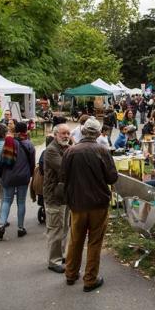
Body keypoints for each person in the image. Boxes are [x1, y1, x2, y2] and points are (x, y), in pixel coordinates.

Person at [61, 118, 118, 292]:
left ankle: (71, 274)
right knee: (94, 242)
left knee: (75, 240)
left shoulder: (70, 151)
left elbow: (63, 177)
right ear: (98, 133)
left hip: (77, 203)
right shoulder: (102, 150)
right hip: (98, 204)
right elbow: (112, 177)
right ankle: (90, 279)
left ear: (83, 132)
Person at [0, 121, 35, 240]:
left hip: (9, 176)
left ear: (15, 130)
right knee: (21, 202)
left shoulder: (9, 142)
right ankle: (20, 228)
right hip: (23, 177)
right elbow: (32, 162)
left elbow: (1, 160)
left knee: (7, 200)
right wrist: (31, 174)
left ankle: (2, 224)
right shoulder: (29, 144)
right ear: (26, 131)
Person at [43, 123, 72, 272]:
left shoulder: (66, 148)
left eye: (68, 133)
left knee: (65, 227)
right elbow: (64, 169)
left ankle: (62, 255)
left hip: (64, 196)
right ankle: (53, 261)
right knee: (55, 229)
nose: (66, 136)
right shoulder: (51, 150)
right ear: (55, 135)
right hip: (54, 196)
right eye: (63, 134)